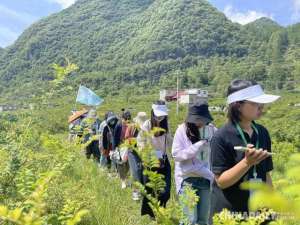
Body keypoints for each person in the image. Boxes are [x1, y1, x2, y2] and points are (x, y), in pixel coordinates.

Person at [209, 79, 280, 223]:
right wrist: (247, 162)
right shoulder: (221, 137)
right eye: (255, 103)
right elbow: (221, 181)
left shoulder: (262, 132)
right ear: (238, 106)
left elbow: (265, 173)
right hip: (231, 214)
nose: (261, 107)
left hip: (259, 212)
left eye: (261, 103)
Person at [172, 103, 217, 225]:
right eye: (197, 119)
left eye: (202, 119)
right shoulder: (182, 130)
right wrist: (197, 146)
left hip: (206, 179)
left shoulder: (212, 130)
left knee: (204, 219)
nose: (200, 122)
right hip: (187, 180)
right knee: (189, 220)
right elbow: (176, 155)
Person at [139, 100, 172, 218]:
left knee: (166, 191)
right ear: (152, 113)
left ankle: (161, 209)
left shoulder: (167, 125)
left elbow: (170, 143)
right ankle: (153, 215)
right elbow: (141, 143)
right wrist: (149, 156)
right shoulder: (147, 125)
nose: (160, 118)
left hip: (163, 161)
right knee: (150, 190)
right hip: (150, 161)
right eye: (158, 115)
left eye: (163, 116)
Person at [126, 111, 148, 200]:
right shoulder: (132, 127)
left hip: (143, 152)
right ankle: (135, 192)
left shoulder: (147, 127)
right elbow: (127, 140)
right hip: (133, 151)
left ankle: (143, 192)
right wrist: (135, 141)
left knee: (143, 171)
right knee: (135, 171)